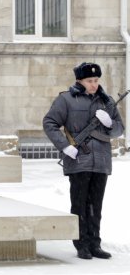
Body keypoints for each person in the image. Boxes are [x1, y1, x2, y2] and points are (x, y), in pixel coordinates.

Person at [43, 62, 124, 260]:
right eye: (89, 81)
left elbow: (119, 129)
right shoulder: (66, 99)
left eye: (96, 80)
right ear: (79, 80)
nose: (94, 84)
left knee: (96, 205)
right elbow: (50, 123)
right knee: (79, 204)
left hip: (101, 161)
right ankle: (82, 245)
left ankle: (95, 243)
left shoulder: (107, 101)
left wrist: (109, 123)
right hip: (78, 159)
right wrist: (65, 146)